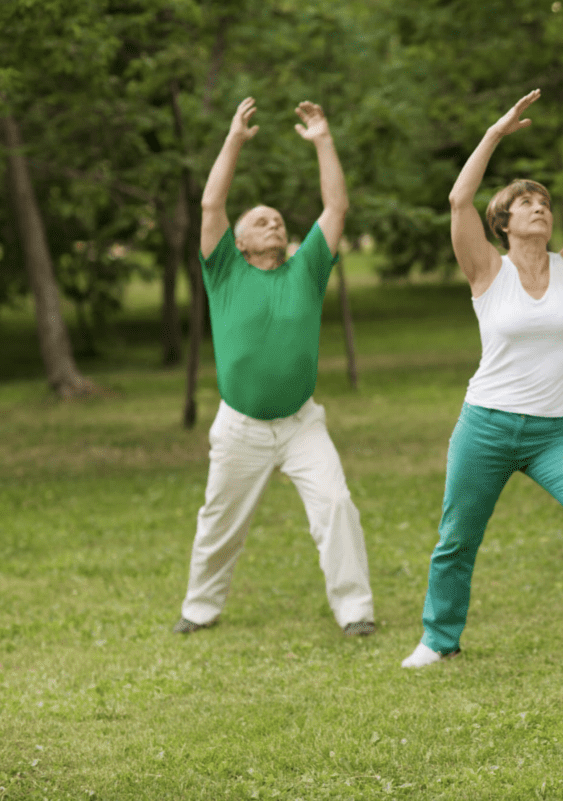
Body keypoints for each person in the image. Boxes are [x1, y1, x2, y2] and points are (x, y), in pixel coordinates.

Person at [401, 87, 563, 675]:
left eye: (544, 201)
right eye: (525, 202)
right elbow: (457, 197)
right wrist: (494, 134)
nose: (539, 206)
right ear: (503, 221)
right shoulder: (486, 270)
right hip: (486, 425)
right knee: (457, 539)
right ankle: (439, 639)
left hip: (555, 436)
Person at [173, 98, 375, 637]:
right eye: (261, 220)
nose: (274, 223)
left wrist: (323, 140)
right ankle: (199, 609)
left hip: (300, 423)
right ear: (238, 241)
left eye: (279, 219)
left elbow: (335, 209)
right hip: (240, 426)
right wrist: (235, 138)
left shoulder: (306, 269)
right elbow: (211, 201)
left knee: (335, 504)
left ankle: (356, 612)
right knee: (220, 521)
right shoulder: (224, 270)